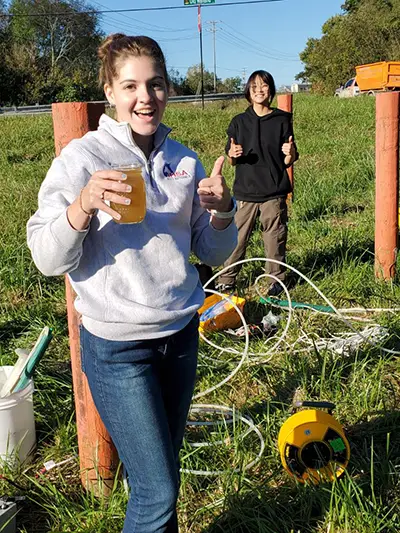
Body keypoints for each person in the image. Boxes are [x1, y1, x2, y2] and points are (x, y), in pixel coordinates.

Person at [27, 33, 237, 533]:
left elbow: (210, 252)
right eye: (131, 86)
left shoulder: (184, 161)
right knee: (157, 489)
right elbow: (45, 257)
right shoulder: (82, 159)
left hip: (182, 336)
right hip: (119, 347)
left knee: (162, 473)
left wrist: (224, 212)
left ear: (169, 88)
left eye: (156, 84)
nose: (146, 97)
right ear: (110, 92)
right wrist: (81, 206)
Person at [216, 70, 298, 296]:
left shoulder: (282, 119)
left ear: (270, 89)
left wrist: (289, 153)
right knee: (237, 237)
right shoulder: (239, 122)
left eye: (263, 86)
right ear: (248, 92)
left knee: (275, 236)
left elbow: (289, 158)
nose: (259, 90)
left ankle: (276, 280)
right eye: (254, 87)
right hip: (246, 191)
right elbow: (232, 159)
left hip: (273, 190)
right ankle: (227, 279)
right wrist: (232, 153)